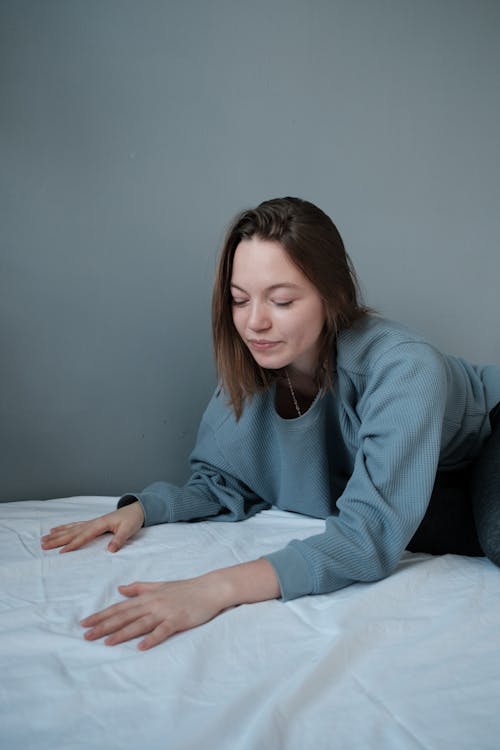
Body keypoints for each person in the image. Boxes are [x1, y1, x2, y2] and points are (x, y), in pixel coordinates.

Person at [41, 197, 500, 651]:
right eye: (240, 300)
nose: (255, 322)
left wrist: (213, 588)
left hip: (488, 441)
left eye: (281, 300)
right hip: (437, 483)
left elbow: (368, 537)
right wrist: (141, 509)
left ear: (332, 296)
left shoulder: (402, 367)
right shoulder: (251, 376)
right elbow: (226, 482)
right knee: (404, 522)